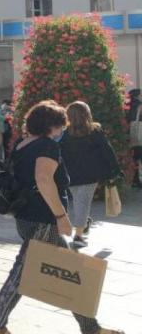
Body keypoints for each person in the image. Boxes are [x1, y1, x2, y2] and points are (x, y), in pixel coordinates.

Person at [0, 101, 124, 334]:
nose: (62, 130)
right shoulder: (46, 146)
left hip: (26, 216)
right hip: (43, 219)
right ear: (50, 126)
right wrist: (61, 216)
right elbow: (43, 180)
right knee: (22, 273)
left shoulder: (22, 143)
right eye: (60, 126)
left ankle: (90, 327)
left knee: (69, 271)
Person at [62, 101, 120, 249]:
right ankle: (78, 236)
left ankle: (83, 224)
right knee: (82, 202)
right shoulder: (94, 131)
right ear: (86, 114)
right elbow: (107, 151)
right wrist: (115, 170)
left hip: (70, 175)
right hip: (90, 175)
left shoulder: (63, 133)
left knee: (79, 201)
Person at [127, 88, 142, 189]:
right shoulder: (140, 105)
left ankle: (135, 179)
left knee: (135, 157)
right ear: (138, 95)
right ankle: (138, 179)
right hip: (140, 136)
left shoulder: (127, 105)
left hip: (132, 135)